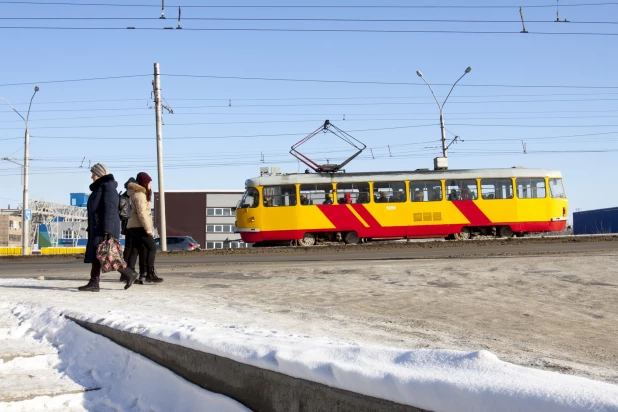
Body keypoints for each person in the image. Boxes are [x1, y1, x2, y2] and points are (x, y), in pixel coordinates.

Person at [79, 163, 137, 292]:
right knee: (99, 254)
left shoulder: (108, 187)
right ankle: (94, 282)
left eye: (93, 174)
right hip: (98, 227)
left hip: (103, 227)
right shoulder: (100, 187)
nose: (92, 176)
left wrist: (108, 229)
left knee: (106, 254)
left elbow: (110, 209)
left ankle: (128, 273)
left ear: (100, 174)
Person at [126, 172, 163, 283]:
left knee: (137, 248)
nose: (151, 185)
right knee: (152, 247)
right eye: (149, 182)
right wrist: (148, 228)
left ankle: (134, 274)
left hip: (133, 226)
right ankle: (149, 274)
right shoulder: (140, 195)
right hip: (139, 226)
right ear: (144, 183)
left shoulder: (136, 193)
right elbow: (142, 213)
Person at [121, 177, 147, 283]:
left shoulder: (124, 195)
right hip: (132, 225)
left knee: (129, 249)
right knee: (134, 249)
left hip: (127, 225)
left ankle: (126, 274)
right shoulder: (133, 196)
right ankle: (129, 273)